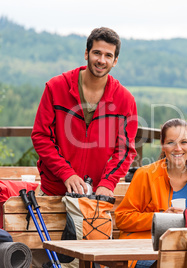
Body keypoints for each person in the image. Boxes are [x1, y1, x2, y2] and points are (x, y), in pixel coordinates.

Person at [31, 27, 137, 198]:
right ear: (86, 53)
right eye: (97, 53)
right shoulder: (56, 87)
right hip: (53, 192)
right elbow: (41, 136)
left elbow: (124, 151)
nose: (102, 60)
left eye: (108, 55)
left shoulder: (125, 100)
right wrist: (66, 173)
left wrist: (108, 182)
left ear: (115, 61)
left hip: (94, 197)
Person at [115, 118, 187, 268]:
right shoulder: (146, 174)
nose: (178, 148)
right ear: (162, 146)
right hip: (146, 249)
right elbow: (122, 219)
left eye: (183, 142)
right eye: (170, 142)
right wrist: (161, 219)